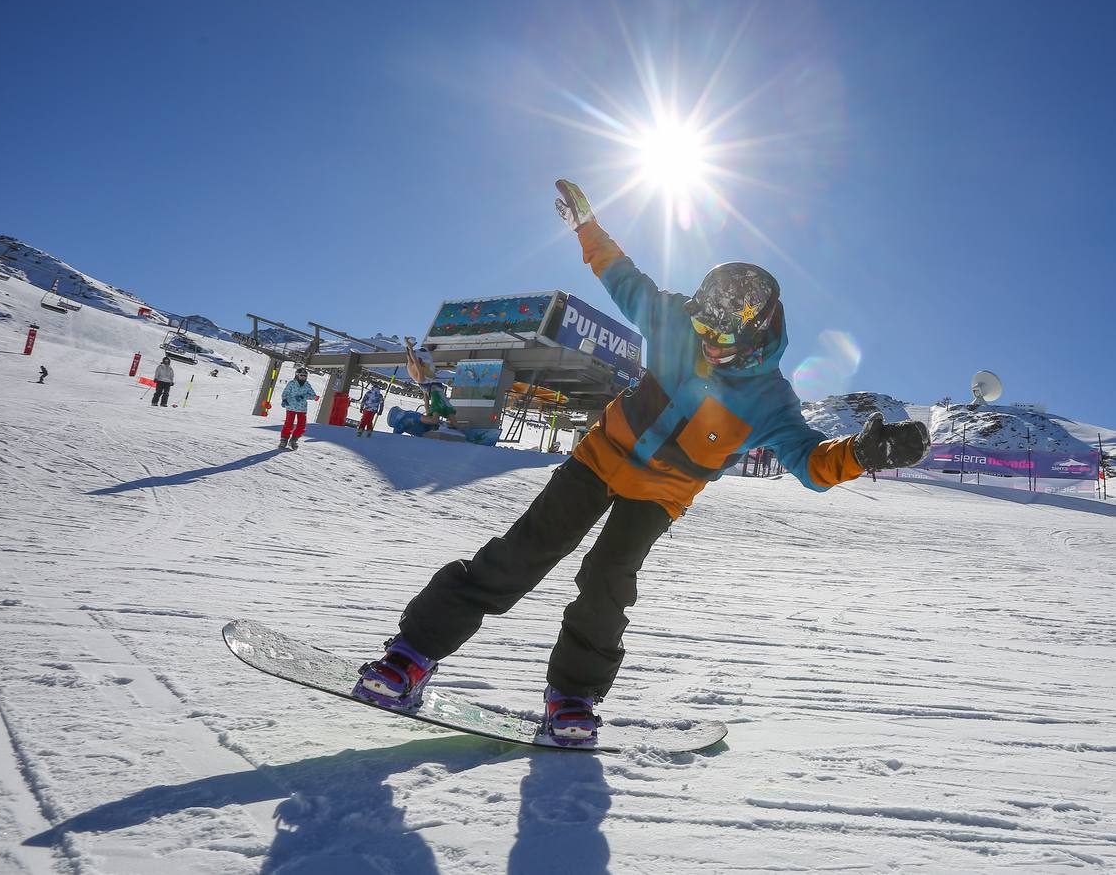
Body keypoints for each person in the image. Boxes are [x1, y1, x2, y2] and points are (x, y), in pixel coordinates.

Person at [355, 179, 930, 745]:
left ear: (755, 333)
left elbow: (810, 464)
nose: (704, 340)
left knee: (607, 583)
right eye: (699, 326)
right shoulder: (675, 319)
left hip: (659, 494)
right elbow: (620, 273)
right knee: (522, 553)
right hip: (598, 459)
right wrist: (587, 227)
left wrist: (861, 453)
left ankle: (572, 696)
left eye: (719, 335)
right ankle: (410, 657)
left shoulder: (769, 399)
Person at [405, 336, 459, 429]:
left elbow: (425, 399)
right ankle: (414, 418)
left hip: (442, 399)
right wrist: (409, 348)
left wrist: (427, 411)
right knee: (436, 420)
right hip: (438, 399)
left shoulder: (424, 379)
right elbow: (415, 362)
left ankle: (442, 425)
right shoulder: (421, 378)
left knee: (453, 423)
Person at [279, 366, 319, 450]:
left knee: (301, 426)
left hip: (302, 408)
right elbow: (285, 392)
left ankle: (293, 440)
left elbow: (313, 396)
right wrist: (284, 399)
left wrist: (303, 397)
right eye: (301, 375)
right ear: (297, 375)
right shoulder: (292, 383)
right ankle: (284, 439)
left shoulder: (307, 385)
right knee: (289, 424)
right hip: (291, 407)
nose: (303, 377)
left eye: (305, 376)